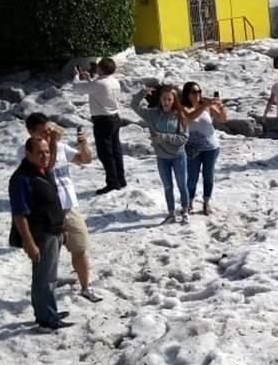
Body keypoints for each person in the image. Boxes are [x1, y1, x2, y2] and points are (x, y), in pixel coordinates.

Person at [22, 114, 102, 302]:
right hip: (47, 213)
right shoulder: (28, 151)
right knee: (48, 259)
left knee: (80, 248)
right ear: (31, 133)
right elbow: (46, 169)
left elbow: (86, 160)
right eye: (42, 131)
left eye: (47, 129)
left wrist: (83, 144)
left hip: (69, 206)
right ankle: (45, 300)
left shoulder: (59, 147)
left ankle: (85, 287)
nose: (47, 133)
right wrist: (52, 145)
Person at [9, 137, 70, 331]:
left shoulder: (43, 172)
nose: (45, 156)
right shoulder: (22, 178)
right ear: (28, 154)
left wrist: (63, 228)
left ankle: (47, 311)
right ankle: (46, 319)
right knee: (44, 278)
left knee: (49, 275)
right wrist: (29, 242)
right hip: (41, 234)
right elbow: (19, 214)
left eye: (47, 152)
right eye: (40, 153)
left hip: (54, 230)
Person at [134, 85, 190, 224]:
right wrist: (142, 93)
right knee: (167, 186)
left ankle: (185, 211)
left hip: (178, 156)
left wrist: (163, 137)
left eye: (169, 99)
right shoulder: (152, 114)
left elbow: (183, 138)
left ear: (174, 100)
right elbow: (134, 106)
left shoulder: (180, 115)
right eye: (164, 99)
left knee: (182, 185)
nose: (166, 102)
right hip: (162, 158)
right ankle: (171, 213)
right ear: (160, 99)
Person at [75, 58, 124, 194]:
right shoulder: (114, 81)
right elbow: (97, 89)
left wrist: (76, 76)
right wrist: (89, 80)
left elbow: (77, 88)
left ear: (101, 69)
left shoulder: (99, 83)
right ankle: (120, 178)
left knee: (105, 153)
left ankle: (112, 182)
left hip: (103, 121)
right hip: (114, 117)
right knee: (116, 150)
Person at [181, 82, 227, 216]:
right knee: (192, 177)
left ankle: (206, 202)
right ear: (187, 94)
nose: (198, 95)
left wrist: (221, 107)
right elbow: (190, 117)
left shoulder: (206, 107)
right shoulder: (183, 107)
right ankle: (189, 202)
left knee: (208, 176)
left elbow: (223, 119)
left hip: (211, 147)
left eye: (199, 92)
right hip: (192, 148)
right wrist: (205, 105)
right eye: (194, 92)